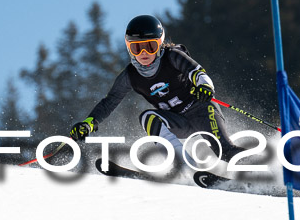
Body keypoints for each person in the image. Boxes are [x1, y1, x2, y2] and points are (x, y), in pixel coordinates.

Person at [69, 14, 244, 171]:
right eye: (137, 48)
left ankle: (263, 170)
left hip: (202, 112)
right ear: (129, 49)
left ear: (160, 44)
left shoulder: (172, 56)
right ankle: (186, 167)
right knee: (148, 117)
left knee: (225, 153)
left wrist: (205, 87)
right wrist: (88, 123)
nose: (144, 53)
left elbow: (197, 72)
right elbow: (109, 102)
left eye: (150, 47)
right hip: (178, 122)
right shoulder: (130, 76)